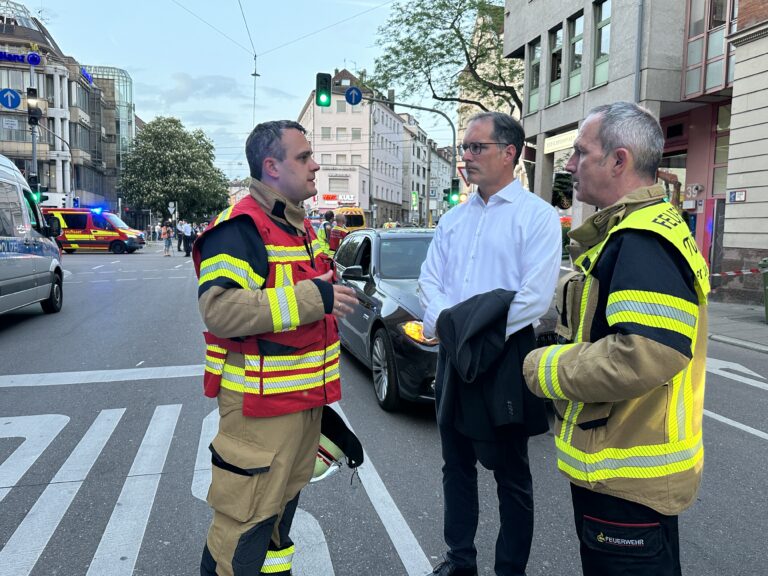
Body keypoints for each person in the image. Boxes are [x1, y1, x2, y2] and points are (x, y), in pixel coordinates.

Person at [523, 102, 710, 576]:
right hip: (628, 474)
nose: (569, 165)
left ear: (618, 160)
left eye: (580, 153)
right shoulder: (641, 229)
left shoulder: (641, 239)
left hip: (625, 479)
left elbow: (644, 353)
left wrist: (541, 367)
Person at [194, 120, 357, 576]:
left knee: (276, 525)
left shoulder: (299, 227)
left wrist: (325, 290)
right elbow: (218, 310)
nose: (315, 165)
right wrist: (315, 297)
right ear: (271, 167)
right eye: (304, 157)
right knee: (242, 529)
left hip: (299, 405)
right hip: (259, 410)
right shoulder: (242, 226)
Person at [418, 111, 562, 576]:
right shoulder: (453, 220)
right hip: (452, 358)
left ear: (509, 153)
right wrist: (452, 326)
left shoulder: (537, 217)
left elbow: (534, 299)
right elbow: (429, 280)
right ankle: (460, 560)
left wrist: (463, 328)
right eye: (464, 147)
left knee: (511, 475)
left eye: (476, 147)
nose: (466, 156)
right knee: (455, 465)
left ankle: (510, 569)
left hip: (503, 358)